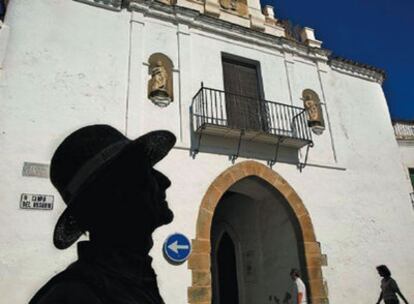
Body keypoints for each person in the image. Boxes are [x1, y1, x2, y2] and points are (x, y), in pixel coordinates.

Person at [29, 124, 176, 304]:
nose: (164, 181)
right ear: (115, 195)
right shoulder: (75, 297)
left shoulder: (132, 282)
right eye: (145, 172)